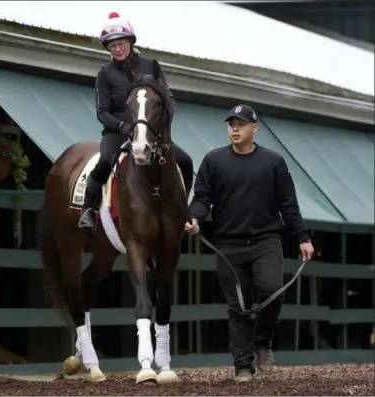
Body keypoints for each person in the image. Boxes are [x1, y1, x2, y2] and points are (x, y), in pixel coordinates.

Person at [185, 104, 314, 383]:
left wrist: (302, 237)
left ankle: (263, 341)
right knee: (238, 307)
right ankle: (243, 365)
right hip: (228, 244)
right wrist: (194, 217)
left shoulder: (274, 162)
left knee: (271, 290)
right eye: (231, 123)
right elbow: (202, 197)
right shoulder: (213, 160)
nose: (235, 128)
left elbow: (288, 204)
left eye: (241, 124)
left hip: (266, 240)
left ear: (254, 128)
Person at [78, 12, 194, 229]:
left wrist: (155, 128)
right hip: (118, 131)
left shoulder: (152, 66)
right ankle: (88, 208)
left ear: (131, 42)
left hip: (151, 131)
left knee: (186, 161)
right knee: (104, 161)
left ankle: (183, 208)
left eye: (121, 43)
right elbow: (102, 112)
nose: (117, 49)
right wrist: (123, 126)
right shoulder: (104, 74)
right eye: (112, 46)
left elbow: (168, 101)